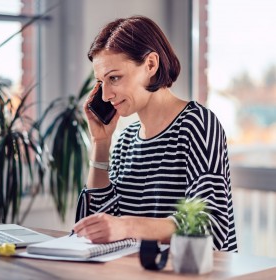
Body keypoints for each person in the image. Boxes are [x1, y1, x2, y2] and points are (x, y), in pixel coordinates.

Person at [72, 15, 237, 252]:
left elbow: (211, 226)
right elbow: (95, 230)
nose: (106, 94)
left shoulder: (198, 124)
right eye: (101, 82)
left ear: (150, 65)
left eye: (114, 78)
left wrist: (127, 226)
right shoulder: (125, 142)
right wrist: (101, 143)